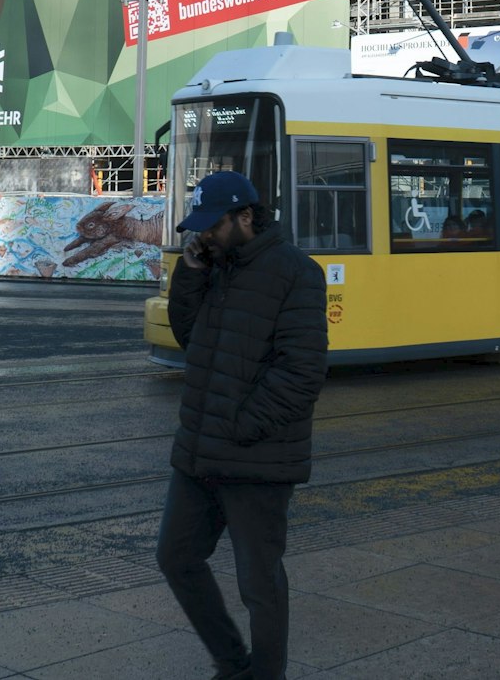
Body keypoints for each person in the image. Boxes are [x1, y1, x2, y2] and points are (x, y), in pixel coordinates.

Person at [157, 171, 328, 680]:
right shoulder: (215, 266)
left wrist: (240, 427)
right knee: (176, 558)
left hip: (255, 456)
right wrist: (190, 274)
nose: (204, 234)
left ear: (246, 217)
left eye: (214, 224)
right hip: (199, 452)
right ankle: (233, 664)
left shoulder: (296, 272)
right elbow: (192, 340)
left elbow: (302, 372)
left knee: (259, 582)